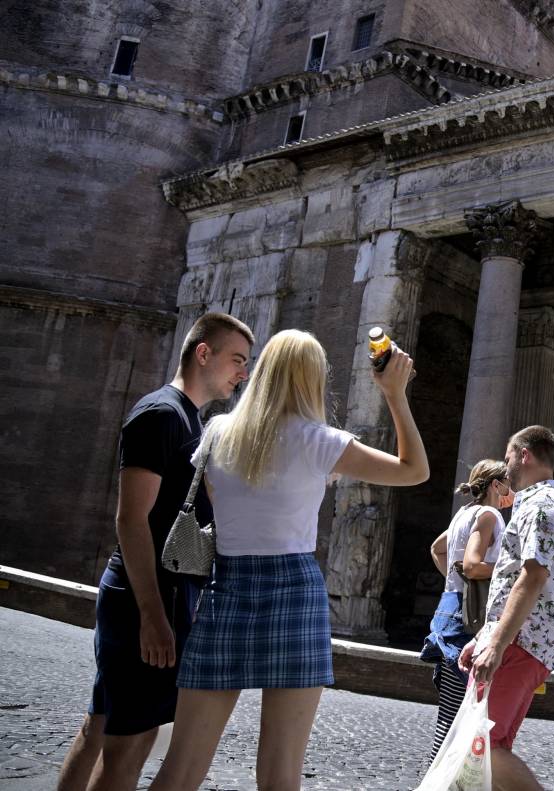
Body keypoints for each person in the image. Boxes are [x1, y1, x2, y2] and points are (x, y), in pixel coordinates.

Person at [148, 328, 428, 790]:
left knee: (180, 769)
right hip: (295, 592)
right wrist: (395, 394)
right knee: (281, 775)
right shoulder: (322, 442)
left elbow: (217, 504)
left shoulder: (217, 432)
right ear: (313, 379)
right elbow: (414, 471)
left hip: (227, 586)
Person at [57, 313, 254, 791]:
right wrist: (153, 616)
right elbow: (131, 518)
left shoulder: (187, 418)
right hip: (144, 598)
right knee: (129, 745)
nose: (243, 373)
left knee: (100, 726)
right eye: (236, 360)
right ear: (203, 353)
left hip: (151, 595)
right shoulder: (161, 414)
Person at [458, 425, 554, 790]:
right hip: (517, 640)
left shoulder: (542, 505)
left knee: (480, 746)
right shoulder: (540, 504)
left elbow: (533, 576)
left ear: (524, 455)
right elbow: (513, 580)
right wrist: (485, 635)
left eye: (508, 455)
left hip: (519, 643)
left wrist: (496, 642)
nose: (505, 464)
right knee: (487, 747)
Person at [425, 459, 510, 761]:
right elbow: (473, 566)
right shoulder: (489, 514)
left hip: (450, 605)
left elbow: (437, 549)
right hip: (468, 616)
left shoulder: (463, 513)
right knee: (459, 716)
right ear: (496, 485)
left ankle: (440, 776)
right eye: (508, 483)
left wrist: (454, 580)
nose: (512, 490)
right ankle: (438, 778)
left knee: (451, 712)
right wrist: (511, 570)